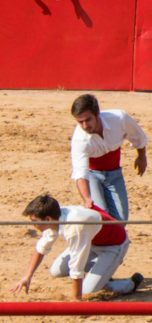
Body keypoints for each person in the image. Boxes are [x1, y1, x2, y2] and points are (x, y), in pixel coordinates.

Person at [11, 193, 142, 300]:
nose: (33, 225)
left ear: (48, 219)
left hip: (113, 245)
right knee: (56, 270)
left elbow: (77, 264)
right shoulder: (55, 216)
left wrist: (76, 299)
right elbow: (41, 248)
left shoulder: (74, 228)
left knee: (87, 291)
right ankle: (100, 274)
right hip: (90, 241)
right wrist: (27, 277)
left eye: (35, 222)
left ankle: (129, 284)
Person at [69, 93, 146, 221]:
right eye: (80, 122)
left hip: (115, 172)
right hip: (92, 174)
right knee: (100, 216)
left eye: (88, 120)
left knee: (121, 218)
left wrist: (141, 157)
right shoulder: (79, 139)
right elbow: (80, 173)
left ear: (97, 114)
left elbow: (138, 136)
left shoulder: (119, 119)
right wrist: (87, 199)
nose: (84, 126)